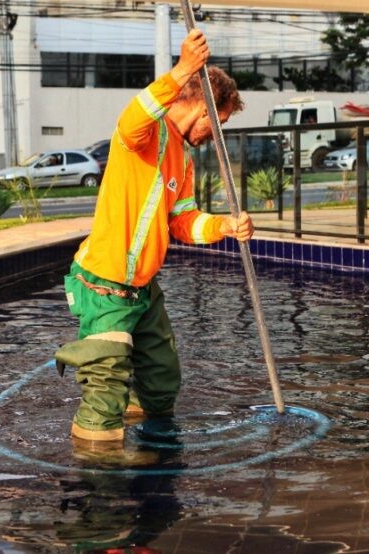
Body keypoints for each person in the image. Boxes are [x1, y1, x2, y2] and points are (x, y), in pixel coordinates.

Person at [56, 28, 254, 443]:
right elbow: (132, 117)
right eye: (220, 124)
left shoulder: (183, 160)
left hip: (143, 288)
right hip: (105, 283)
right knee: (104, 397)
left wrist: (224, 226)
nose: (216, 135)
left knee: (161, 386)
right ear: (205, 110)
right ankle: (101, 473)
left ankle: (146, 448)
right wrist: (183, 69)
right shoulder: (145, 135)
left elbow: (182, 221)